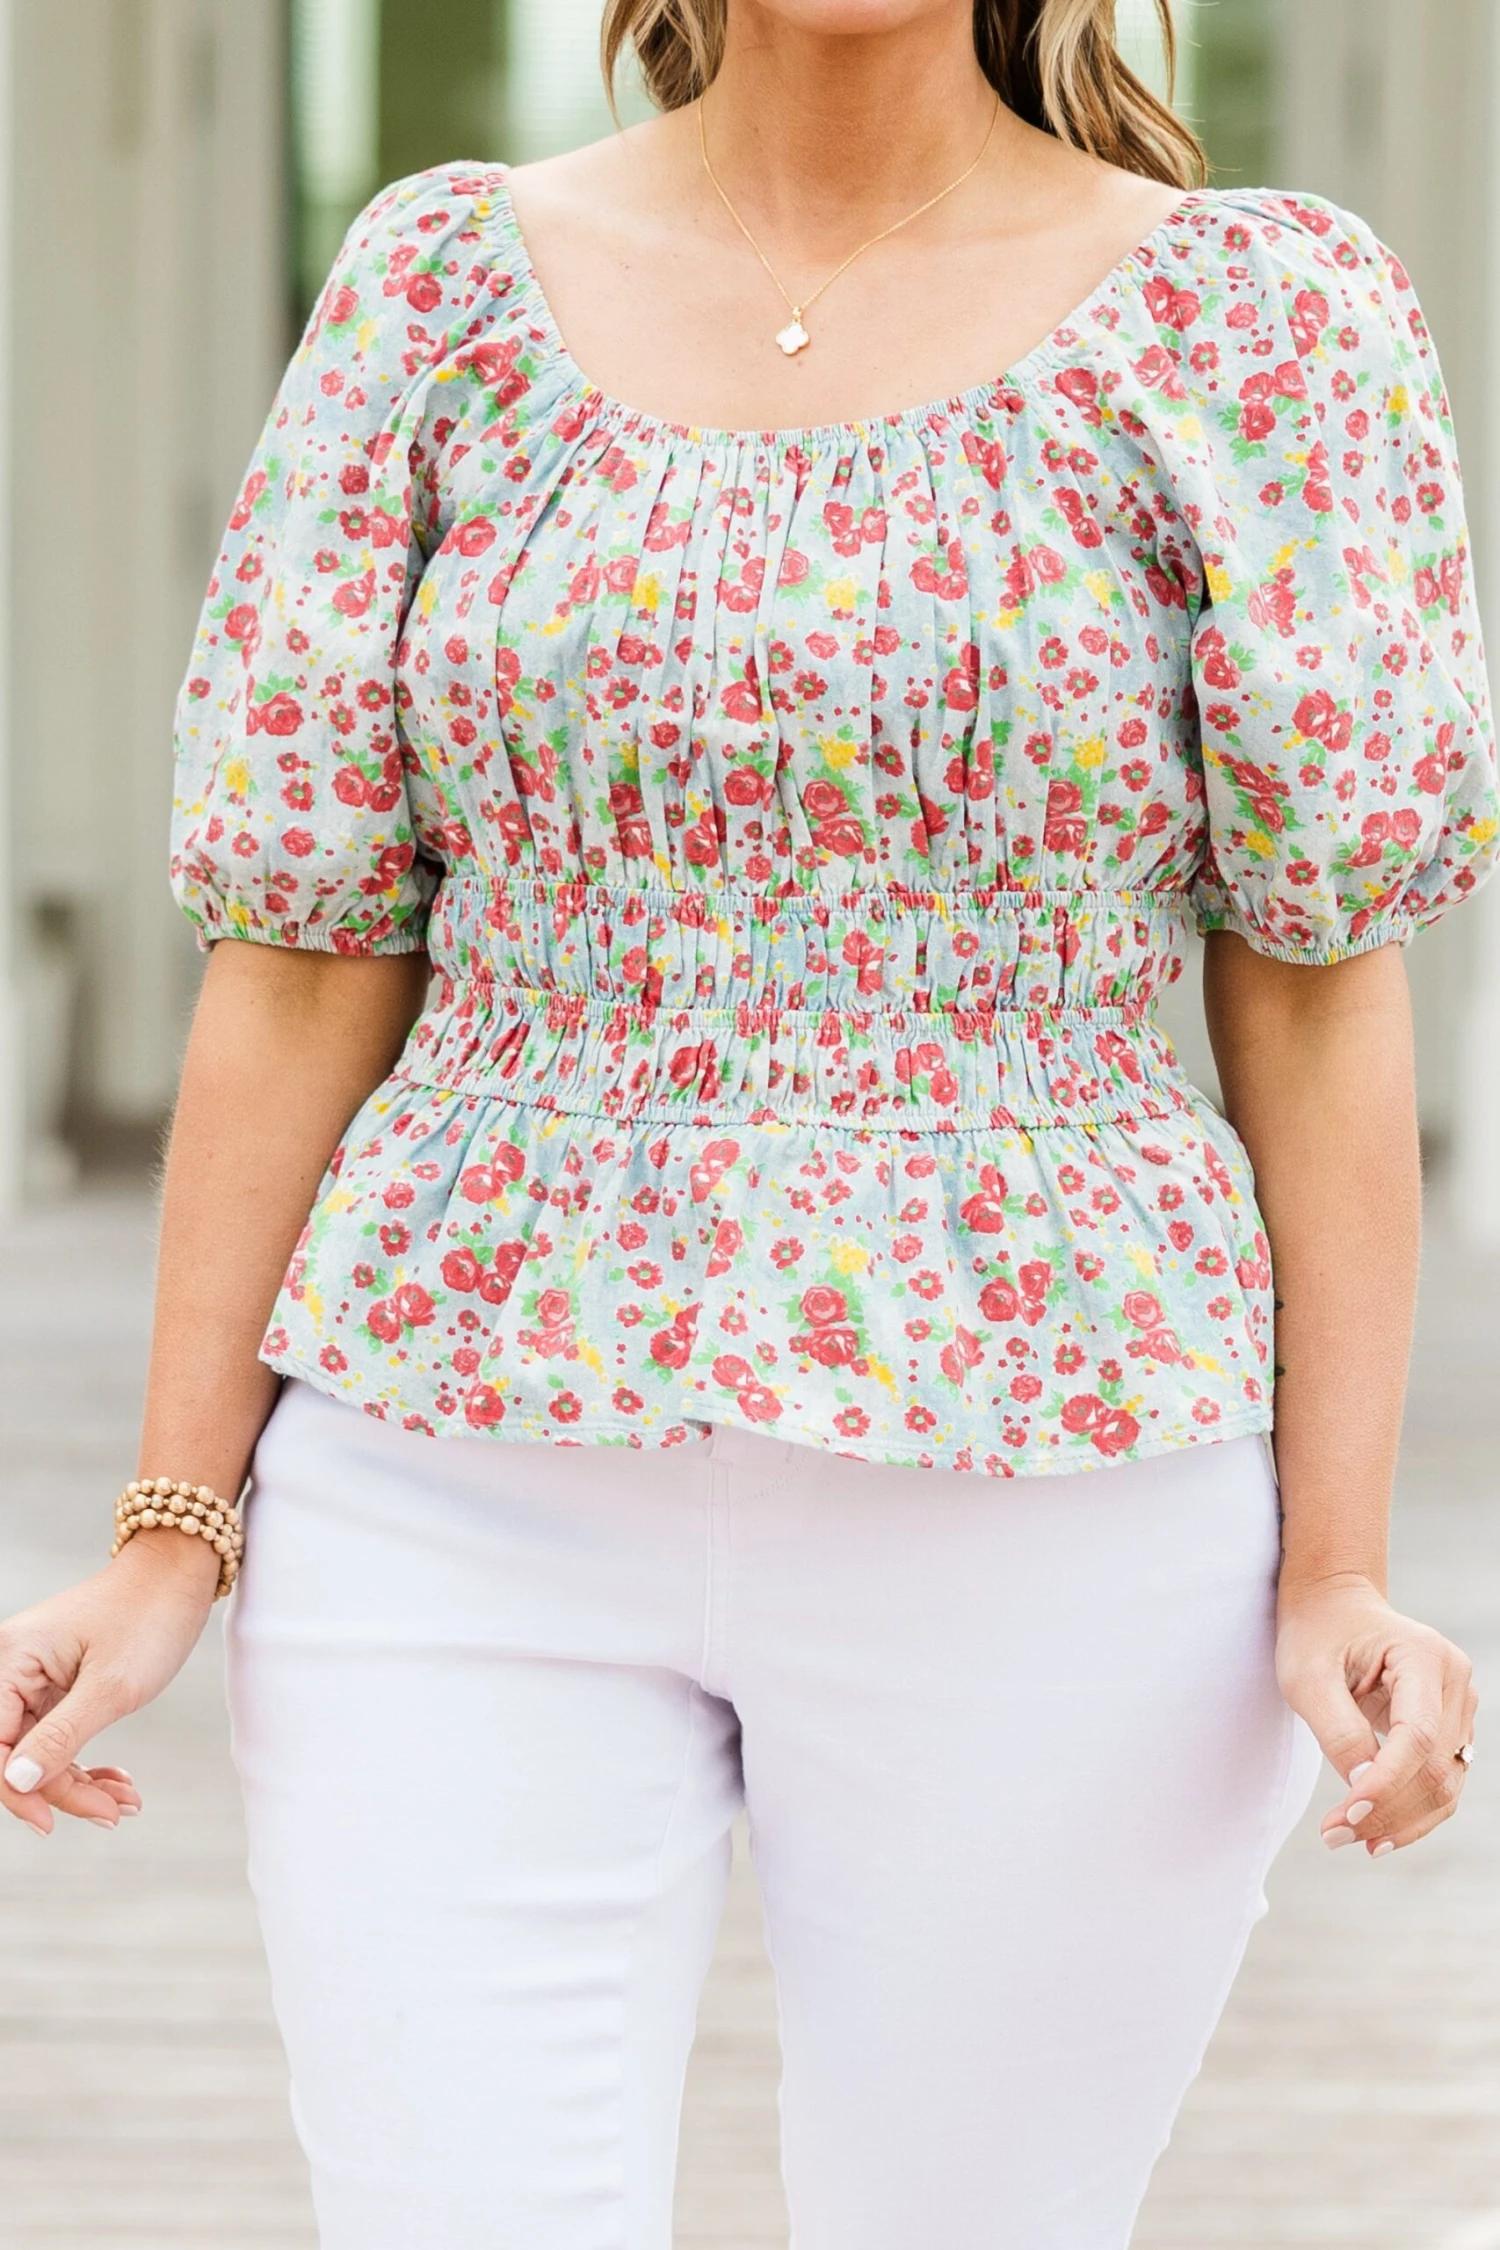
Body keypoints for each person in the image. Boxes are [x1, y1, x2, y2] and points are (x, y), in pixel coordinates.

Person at [1, 1, 1493, 2243]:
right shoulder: (434, 290)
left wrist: (1336, 1565)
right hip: (450, 1472)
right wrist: (169, 1528)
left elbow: (1310, 979)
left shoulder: (1262, 320)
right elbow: (304, 954)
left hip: (1060, 1488)